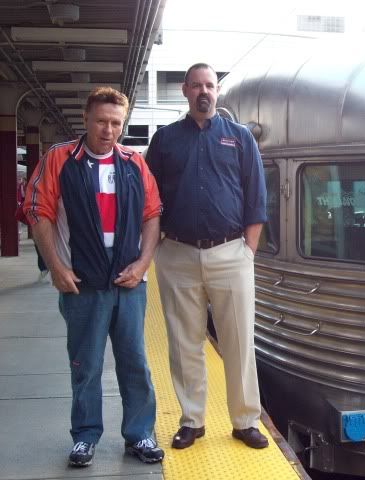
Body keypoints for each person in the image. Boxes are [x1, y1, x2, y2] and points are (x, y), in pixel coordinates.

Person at [23, 87, 165, 467]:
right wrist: (55, 266)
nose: (108, 130)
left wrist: (143, 264)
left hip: (129, 281)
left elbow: (153, 214)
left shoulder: (135, 162)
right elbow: (38, 211)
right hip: (82, 281)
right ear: (86, 119)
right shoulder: (59, 159)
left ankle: (140, 435)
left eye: (116, 123)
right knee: (85, 365)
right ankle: (85, 436)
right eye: (101, 121)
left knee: (135, 362)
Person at [146, 62, 268, 450]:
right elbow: (149, 198)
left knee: (238, 341)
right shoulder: (165, 140)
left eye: (210, 85)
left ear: (217, 91)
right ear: (185, 90)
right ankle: (192, 420)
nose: (204, 91)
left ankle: (245, 420)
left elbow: (257, 197)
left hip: (231, 253)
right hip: (178, 254)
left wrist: (248, 250)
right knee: (184, 343)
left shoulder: (240, 137)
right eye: (196, 85)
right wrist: (157, 247)